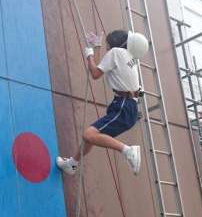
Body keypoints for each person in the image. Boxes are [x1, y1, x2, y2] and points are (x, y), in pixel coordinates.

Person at [56, 29, 148, 177]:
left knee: (89, 134)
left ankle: (128, 151)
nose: (106, 46)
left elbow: (95, 74)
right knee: (93, 136)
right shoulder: (129, 58)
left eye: (106, 44)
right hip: (128, 107)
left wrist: (89, 55)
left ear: (115, 43)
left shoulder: (116, 52)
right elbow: (101, 66)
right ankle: (72, 164)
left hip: (123, 106)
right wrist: (96, 46)